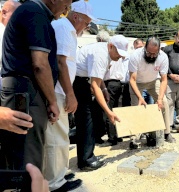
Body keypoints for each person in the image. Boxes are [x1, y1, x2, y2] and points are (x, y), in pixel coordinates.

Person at [0, 0, 71, 170]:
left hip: (26, 90)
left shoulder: (35, 12)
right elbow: (40, 64)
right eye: (67, 3)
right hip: (24, 92)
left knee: (26, 149)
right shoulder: (36, 13)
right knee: (26, 154)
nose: (67, 8)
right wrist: (52, 101)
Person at [43, 1, 94, 191]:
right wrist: (71, 95)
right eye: (86, 23)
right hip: (58, 90)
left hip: (60, 90)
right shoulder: (64, 28)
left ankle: (60, 174)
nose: (87, 27)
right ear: (75, 17)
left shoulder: (68, 29)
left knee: (62, 136)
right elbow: (61, 63)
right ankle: (55, 183)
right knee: (56, 139)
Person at [74, 35, 128, 171]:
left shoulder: (103, 51)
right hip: (78, 83)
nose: (120, 57)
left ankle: (86, 156)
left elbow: (97, 78)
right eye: (119, 53)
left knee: (87, 120)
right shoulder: (101, 55)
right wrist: (109, 112)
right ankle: (86, 160)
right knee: (87, 121)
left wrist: (104, 89)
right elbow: (94, 86)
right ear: (110, 46)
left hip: (82, 81)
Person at [129, 36, 176, 148]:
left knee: (164, 102)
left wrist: (159, 99)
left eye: (154, 54)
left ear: (159, 50)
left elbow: (164, 79)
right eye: (149, 53)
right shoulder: (135, 56)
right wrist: (140, 97)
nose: (151, 56)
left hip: (154, 81)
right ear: (145, 48)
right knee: (136, 108)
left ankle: (167, 133)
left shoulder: (163, 57)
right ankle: (134, 137)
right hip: (137, 83)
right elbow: (132, 79)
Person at [133, 38, 154, 104]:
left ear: (144, 45)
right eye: (136, 48)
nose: (139, 50)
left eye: (140, 47)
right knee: (141, 107)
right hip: (140, 86)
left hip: (151, 85)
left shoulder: (151, 56)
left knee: (151, 107)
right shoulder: (134, 58)